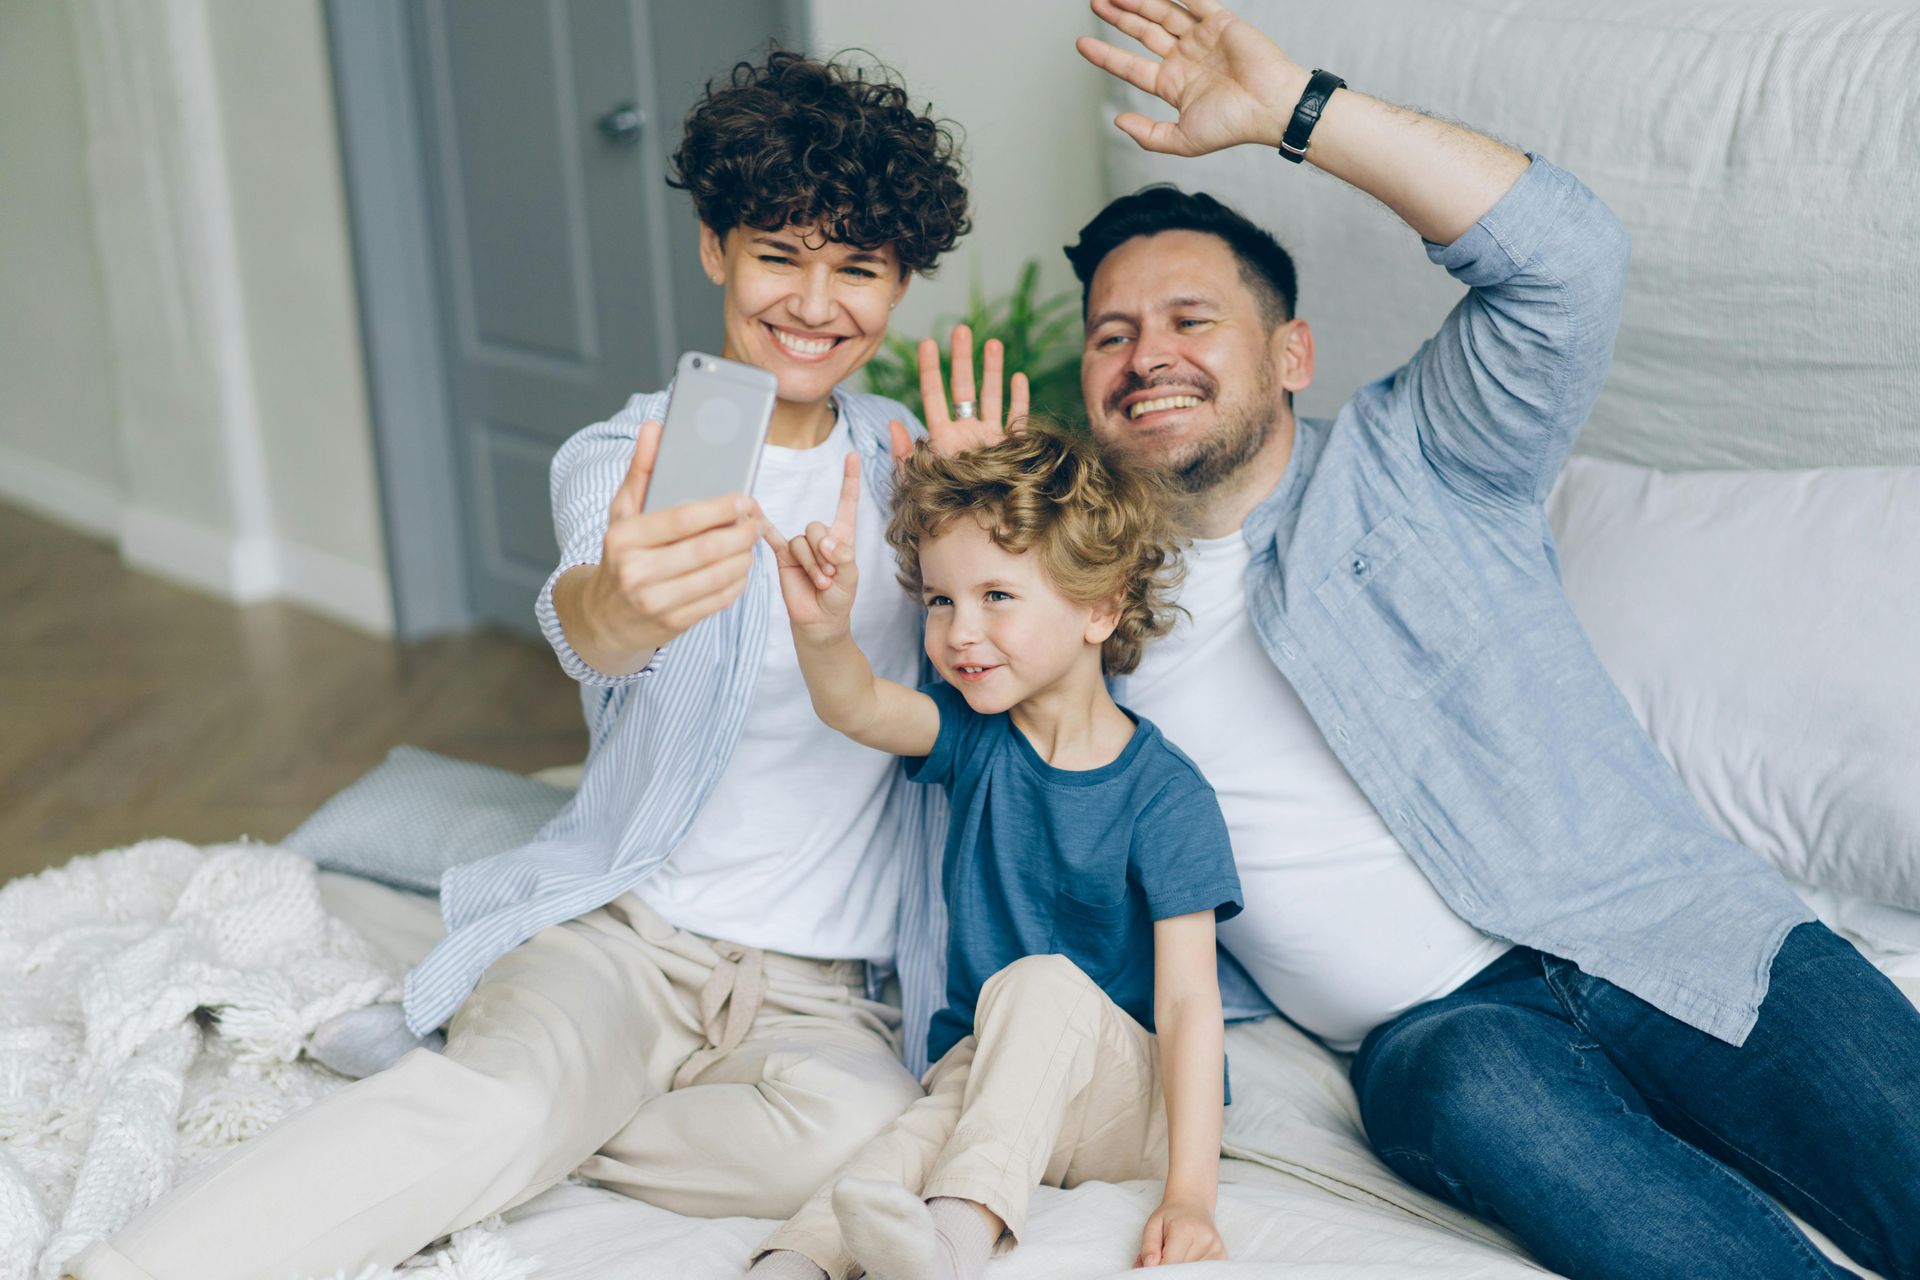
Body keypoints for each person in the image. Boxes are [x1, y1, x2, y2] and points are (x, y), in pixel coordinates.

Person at [70, 51, 1008, 1280]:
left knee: (856, 1134)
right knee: (508, 1100)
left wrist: (996, 516)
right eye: (779, 254)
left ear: (899, 284)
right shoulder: (625, 455)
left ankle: (536, 1106)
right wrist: (621, 601)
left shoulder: (915, 457)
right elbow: (593, 624)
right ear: (717, 248)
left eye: (859, 269)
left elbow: (1005, 692)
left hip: (829, 982)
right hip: (628, 931)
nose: (815, 303)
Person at [1025, 3, 1920, 1278]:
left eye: (1188, 319)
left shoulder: (1425, 457)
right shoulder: (1086, 612)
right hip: (1445, 1037)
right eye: (1112, 334)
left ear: (1292, 353)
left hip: (1669, 924)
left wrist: (1299, 113)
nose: (1146, 354)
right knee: (1468, 1084)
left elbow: (1568, 258)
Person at [749, 426, 1242, 1280]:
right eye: (940, 601)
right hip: (993, 1077)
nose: (958, 632)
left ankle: (954, 1243)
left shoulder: (1166, 795)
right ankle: (791, 1265)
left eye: (996, 597)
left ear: (1101, 606)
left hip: (1128, 1106)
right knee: (918, 1129)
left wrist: (1190, 1194)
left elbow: (1191, 1004)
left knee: (1042, 983)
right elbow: (860, 706)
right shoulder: (976, 738)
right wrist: (822, 633)